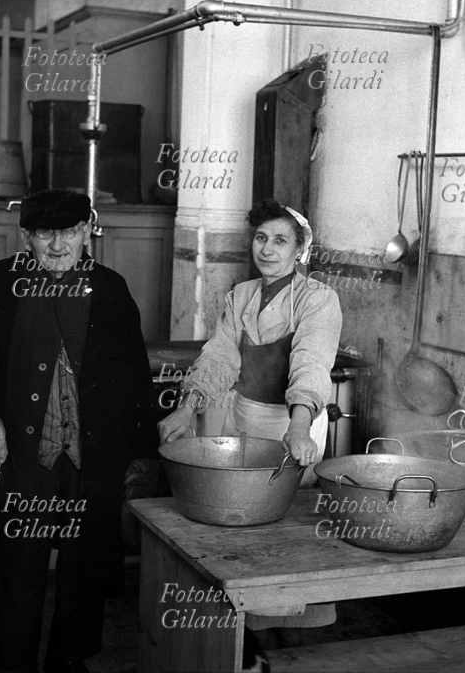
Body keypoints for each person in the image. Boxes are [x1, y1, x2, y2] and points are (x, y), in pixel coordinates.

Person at [0, 189, 156, 673]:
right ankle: (12, 663)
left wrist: (142, 450)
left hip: (90, 456)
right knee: (19, 565)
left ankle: (68, 660)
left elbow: (135, 377)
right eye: (44, 233)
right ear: (26, 237)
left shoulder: (111, 289)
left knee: (86, 565)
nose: (58, 244)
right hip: (22, 457)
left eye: (69, 231)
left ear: (87, 233)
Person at [158, 199, 342, 631]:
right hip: (244, 419)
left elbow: (311, 364)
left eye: (280, 240)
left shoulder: (317, 299)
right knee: (242, 517)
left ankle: (293, 627)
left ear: (300, 250)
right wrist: (186, 410)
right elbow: (218, 360)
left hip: (293, 424)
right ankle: (245, 627)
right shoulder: (241, 296)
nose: (268, 249)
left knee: (286, 524)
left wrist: (299, 429)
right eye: (261, 238)